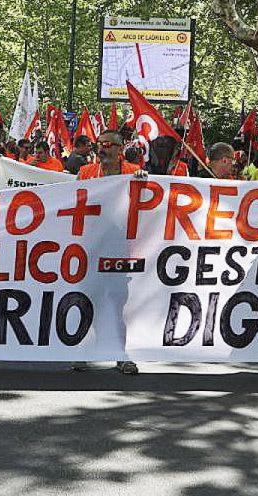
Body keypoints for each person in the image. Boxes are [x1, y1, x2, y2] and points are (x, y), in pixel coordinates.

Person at [75, 129, 145, 375]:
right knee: (87, 300)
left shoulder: (134, 172)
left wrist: (144, 184)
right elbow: (73, 201)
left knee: (117, 302)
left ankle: (120, 355)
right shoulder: (85, 173)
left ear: (120, 148)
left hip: (119, 249)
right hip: (91, 247)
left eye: (108, 144)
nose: (102, 148)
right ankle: (80, 351)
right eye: (99, 144)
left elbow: (147, 204)